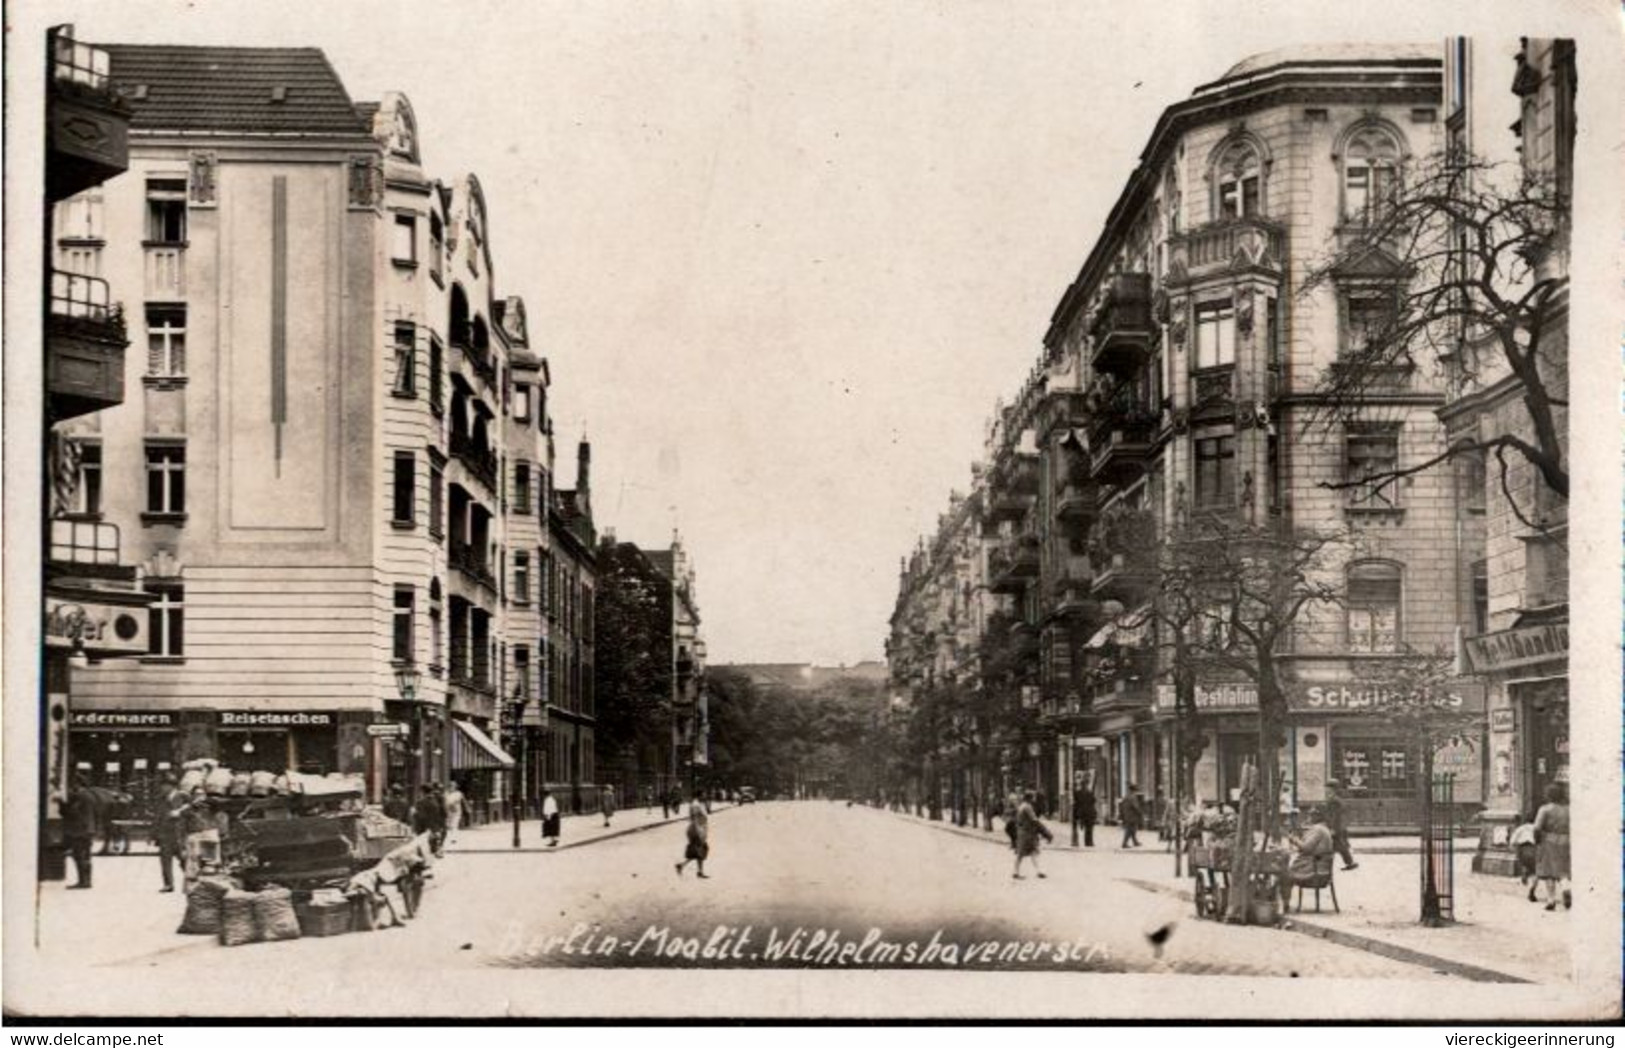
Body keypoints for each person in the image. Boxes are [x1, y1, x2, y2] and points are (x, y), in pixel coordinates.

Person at [1532, 783, 1571, 911]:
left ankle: (1551, 900)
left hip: (1548, 841)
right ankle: (1566, 888)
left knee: (1549, 872)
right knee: (1563, 870)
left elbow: (1537, 828)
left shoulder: (1545, 809)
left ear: (1548, 795)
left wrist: (1537, 840)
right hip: (1566, 841)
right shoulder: (1568, 809)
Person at [153, 772, 191, 893]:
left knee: (183, 859)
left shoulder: (183, 796)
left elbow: (193, 809)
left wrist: (179, 812)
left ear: (171, 786)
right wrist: (154, 834)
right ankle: (168, 884)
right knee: (165, 860)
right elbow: (157, 817)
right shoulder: (161, 799)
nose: (162, 788)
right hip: (165, 834)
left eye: (164, 785)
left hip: (179, 833)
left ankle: (191, 881)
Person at [61, 774, 99, 889]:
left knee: (79, 856)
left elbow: (73, 812)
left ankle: (83, 882)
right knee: (86, 856)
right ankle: (87, 881)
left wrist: (62, 804)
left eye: (73, 784)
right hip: (88, 829)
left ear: (77, 783)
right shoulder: (91, 796)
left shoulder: (80, 796)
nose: (72, 787)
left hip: (80, 831)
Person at [1013, 789, 1052, 879]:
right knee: (1022, 853)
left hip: (1024, 832)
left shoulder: (1022, 806)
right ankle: (1015, 872)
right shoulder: (1027, 807)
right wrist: (1046, 832)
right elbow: (1035, 821)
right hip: (1027, 833)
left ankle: (1039, 871)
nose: (1035, 798)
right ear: (1030, 798)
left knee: (1032, 852)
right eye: (1033, 797)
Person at [1323, 780, 1358, 871]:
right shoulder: (1335, 799)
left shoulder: (1334, 800)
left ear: (1332, 789)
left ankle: (1326, 868)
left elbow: (1335, 816)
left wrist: (1332, 828)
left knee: (1337, 846)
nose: (1325, 790)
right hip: (1339, 826)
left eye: (1327, 788)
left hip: (1337, 827)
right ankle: (1350, 863)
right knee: (1339, 846)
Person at [675, 798, 710, 878]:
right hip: (696, 830)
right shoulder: (696, 805)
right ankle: (683, 866)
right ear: (700, 795)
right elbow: (694, 819)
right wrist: (699, 832)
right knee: (700, 850)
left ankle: (696, 871)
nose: (705, 795)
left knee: (698, 852)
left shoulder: (697, 804)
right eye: (703, 794)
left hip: (697, 829)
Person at [1508, 812, 1539, 901]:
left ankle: (1525, 870)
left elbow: (1512, 842)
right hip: (1534, 849)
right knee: (1535, 871)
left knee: (1526, 864)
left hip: (1522, 849)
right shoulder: (1536, 829)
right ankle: (1532, 890)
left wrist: (1515, 851)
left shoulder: (1520, 829)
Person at [1119, 784, 1144, 849]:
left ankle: (1135, 841)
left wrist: (1122, 814)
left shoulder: (1126, 796)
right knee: (1130, 829)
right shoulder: (1133, 797)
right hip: (1132, 815)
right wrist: (1140, 812)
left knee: (1132, 829)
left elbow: (1122, 806)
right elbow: (1135, 806)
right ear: (1133, 790)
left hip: (1127, 815)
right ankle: (1124, 843)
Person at [1077, 782, 1098, 848]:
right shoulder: (1089, 793)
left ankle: (1087, 842)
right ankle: (1090, 842)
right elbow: (1094, 800)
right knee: (1090, 828)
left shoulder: (1079, 793)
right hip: (1089, 812)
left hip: (1084, 813)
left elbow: (1078, 802)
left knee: (1087, 828)